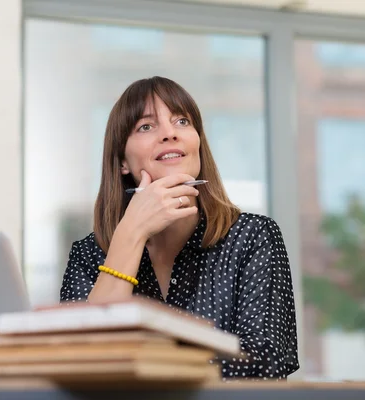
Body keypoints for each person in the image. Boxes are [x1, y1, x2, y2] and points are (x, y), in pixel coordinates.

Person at [59, 76, 299, 380]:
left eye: (182, 121)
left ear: (197, 142)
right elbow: (80, 364)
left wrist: (144, 372)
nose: (170, 134)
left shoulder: (253, 237)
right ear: (122, 161)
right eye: (146, 126)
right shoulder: (87, 254)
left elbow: (264, 364)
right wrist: (131, 232)